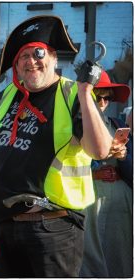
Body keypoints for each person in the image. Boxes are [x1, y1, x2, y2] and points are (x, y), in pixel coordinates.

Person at [0, 15, 115, 277]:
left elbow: (100, 150)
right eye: (23, 57)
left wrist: (86, 92)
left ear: (53, 58)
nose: (31, 61)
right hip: (5, 227)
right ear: (16, 67)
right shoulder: (5, 97)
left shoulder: (72, 94)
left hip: (53, 227)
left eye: (38, 53)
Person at [79, 70, 132, 277]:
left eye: (108, 98)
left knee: (120, 255)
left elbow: (130, 171)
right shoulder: (73, 125)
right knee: (89, 258)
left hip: (120, 203)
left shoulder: (118, 125)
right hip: (87, 200)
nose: (103, 103)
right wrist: (94, 175)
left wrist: (123, 155)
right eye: (98, 97)